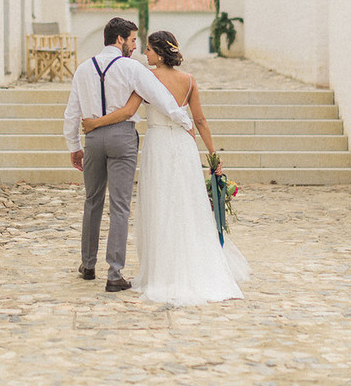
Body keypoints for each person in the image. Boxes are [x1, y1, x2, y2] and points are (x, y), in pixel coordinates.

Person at [82, 29, 250, 305]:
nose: (144, 53)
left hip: (159, 146)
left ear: (159, 53)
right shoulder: (189, 80)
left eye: (148, 49)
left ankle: (162, 271)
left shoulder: (148, 79)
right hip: (183, 147)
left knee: (159, 206)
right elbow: (201, 121)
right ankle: (188, 264)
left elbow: (126, 112)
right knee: (187, 205)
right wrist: (213, 158)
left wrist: (94, 124)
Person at [63, 18, 192, 293]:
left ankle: (87, 265)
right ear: (120, 39)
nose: (135, 46)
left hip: (93, 138)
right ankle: (114, 273)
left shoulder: (84, 68)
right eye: (133, 40)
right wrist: (184, 120)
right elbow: (160, 96)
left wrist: (74, 145)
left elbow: (72, 111)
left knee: (92, 201)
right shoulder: (131, 68)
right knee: (120, 205)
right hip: (122, 137)